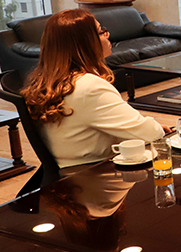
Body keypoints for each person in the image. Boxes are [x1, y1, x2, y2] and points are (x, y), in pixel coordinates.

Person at [21, 9, 165, 169]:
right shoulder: (89, 86)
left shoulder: (46, 80)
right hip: (94, 173)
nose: (107, 34)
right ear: (85, 42)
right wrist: (151, 127)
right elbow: (152, 134)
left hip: (68, 168)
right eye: (101, 31)